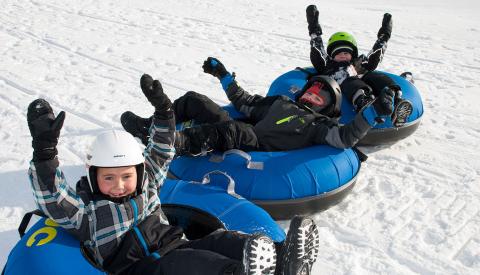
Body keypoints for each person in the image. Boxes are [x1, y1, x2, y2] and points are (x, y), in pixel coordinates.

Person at [26, 74, 320, 275]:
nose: (119, 186)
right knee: (197, 262)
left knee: (221, 241)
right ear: (93, 178)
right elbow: (52, 196)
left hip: (174, 244)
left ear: (138, 173)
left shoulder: (147, 184)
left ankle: (284, 257)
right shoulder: (88, 213)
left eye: (126, 176)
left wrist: (165, 112)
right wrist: (44, 152)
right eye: (108, 178)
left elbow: (162, 150)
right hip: (147, 268)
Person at [121, 57, 395, 157]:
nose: (313, 93)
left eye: (321, 94)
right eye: (312, 87)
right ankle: (148, 127)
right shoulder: (280, 102)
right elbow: (245, 102)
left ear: (328, 107)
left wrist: (373, 112)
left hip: (259, 147)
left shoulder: (319, 125)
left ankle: (173, 142)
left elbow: (346, 137)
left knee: (238, 131)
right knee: (196, 99)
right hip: (244, 129)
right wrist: (224, 75)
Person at [306, 5, 412, 127]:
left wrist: (384, 36)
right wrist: (314, 30)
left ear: (353, 55)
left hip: (363, 85)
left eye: (346, 53)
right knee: (350, 82)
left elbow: (374, 58)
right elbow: (317, 51)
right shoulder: (327, 64)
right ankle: (366, 105)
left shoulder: (357, 65)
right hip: (343, 90)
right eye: (338, 53)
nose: (342, 55)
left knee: (374, 76)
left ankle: (396, 101)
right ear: (331, 56)